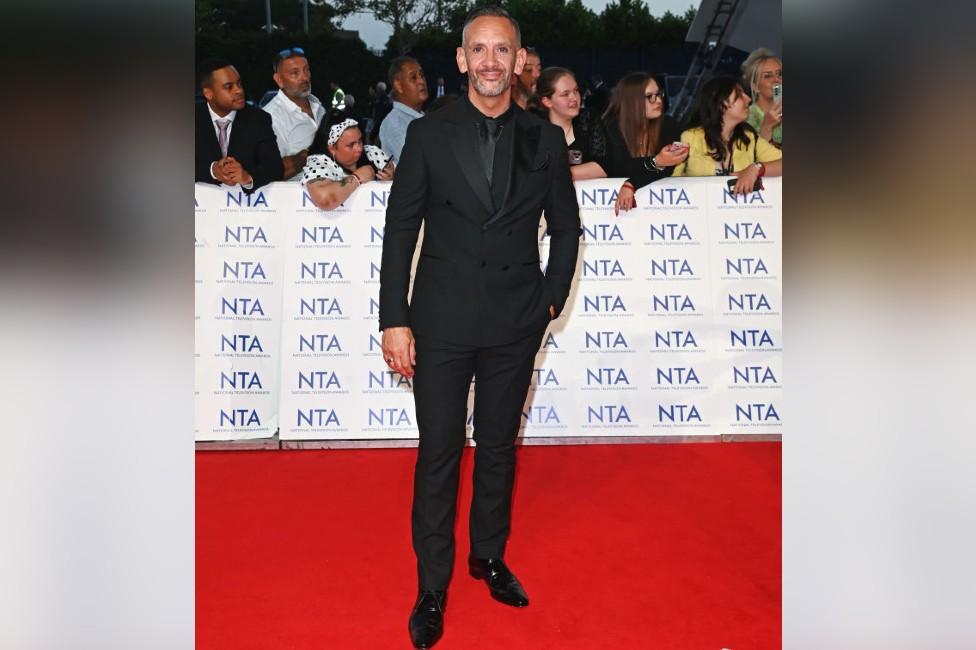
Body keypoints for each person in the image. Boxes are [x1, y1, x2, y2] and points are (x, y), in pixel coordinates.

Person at [378, 7, 581, 648]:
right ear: (462, 60)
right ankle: (431, 586)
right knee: (438, 453)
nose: (492, 61)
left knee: (498, 448)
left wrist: (548, 301)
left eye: (504, 50)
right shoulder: (428, 135)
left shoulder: (544, 139)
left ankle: (487, 557)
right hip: (439, 320)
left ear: (520, 61)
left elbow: (568, 228)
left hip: (516, 320)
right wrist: (394, 320)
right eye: (479, 50)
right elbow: (400, 232)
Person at [672, 76, 783, 195]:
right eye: (740, 95)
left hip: (739, 212)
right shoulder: (689, 138)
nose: (748, 99)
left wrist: (756, 168)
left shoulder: (749, 137)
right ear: (720, 103)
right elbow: (670, 181)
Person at [601, 72, 688, 215]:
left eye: (659, 94)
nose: (658, 101)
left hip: (666, 209)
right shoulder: (611, 128)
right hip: (615, 213)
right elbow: (619, 167)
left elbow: (667, 169)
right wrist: (657, 161)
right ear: (631, 101)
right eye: (650, 97)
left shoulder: (669, 125)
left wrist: (632, 183)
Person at [195, 58, 283, 193]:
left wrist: (248, 177)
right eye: (229, 87)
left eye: (239, 83)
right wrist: (213, 171)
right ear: (208, 93)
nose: (239, 91)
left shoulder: (258, 119)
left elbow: (274, 168)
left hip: (245, 209)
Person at [300, 115, 394, 210]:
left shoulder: (372, 154)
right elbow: (325, 199)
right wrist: (357, 178)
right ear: (332, 148)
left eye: (360, 141)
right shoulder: (319, 163)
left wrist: (391, 179)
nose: (359, 148)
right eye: (351, 145)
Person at [262, 47, 326, 181]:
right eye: (295, 73)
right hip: (296, 198)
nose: (304, 77)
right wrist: (312, 153)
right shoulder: (270, 117)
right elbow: (271, 171)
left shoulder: (318, 106)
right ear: (279, 79)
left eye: (306, 70)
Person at [533, 66, 607, 181]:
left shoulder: (588, 119)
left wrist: (560, 174)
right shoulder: (535, 126)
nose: (574, 98)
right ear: (547, 101)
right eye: (565, 94)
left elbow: (604, 166)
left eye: (576, 90)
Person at [379, 56, 429, 164]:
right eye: (413, 77)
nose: (421, 81)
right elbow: (417, 165)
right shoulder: (394, 123)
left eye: (421, 75)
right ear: (399, 86)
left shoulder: (425, 118)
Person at [741, 48, 783, 147]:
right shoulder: (746, 117)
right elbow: (750, 155)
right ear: (755, 86)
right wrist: (767, 127)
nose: (777, 80)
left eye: (780, 74)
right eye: (768, 76)